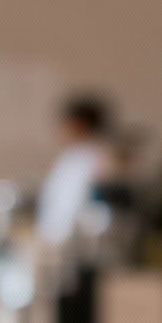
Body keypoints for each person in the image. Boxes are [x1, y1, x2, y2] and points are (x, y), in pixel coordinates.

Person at [35, 95, 113, 246]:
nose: (59, 129)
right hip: (61, 243)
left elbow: (71, 209)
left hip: (71, 247)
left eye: (64, 123)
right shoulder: (73, 157)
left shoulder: (90, 160)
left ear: (78, 124)